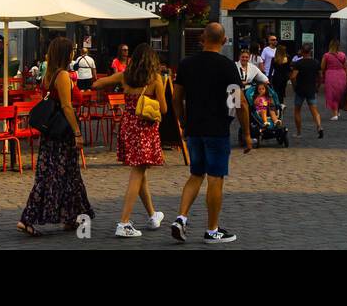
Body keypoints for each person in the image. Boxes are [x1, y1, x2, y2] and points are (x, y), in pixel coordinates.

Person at [172, 22, 251, 244]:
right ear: (224, 41)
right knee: (215, 178)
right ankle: (212, 229)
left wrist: (183, 122)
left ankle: (181, 218)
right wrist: (246, 133)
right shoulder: (228, 67)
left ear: (201, 39)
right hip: (217, 129)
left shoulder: (186, 64)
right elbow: (239, 103)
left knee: (196, 174)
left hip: (194, 128)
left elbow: (176, 98)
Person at [92, 42, 168, 238]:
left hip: (128, 126)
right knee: (137, 172)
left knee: (139, 170)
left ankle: (152, 215)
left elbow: (97, 84)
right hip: (145, 128)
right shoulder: (155, 79)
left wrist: (111, 85)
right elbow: (164, 109)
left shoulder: (125, 76)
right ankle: (124, 222)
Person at [18, 36, 92, 237]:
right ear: (65, 53)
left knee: (67, 175)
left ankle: (70, 217)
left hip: (51, 134)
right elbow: (67, 106)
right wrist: (77, 132)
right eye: (71, 50)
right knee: (55, 176)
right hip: (63, 132)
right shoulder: (63, 76)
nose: (73, 53)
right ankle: (28, 218)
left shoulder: (48, 74)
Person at [290, 42, 324, 139]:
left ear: (302, 51)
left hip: (300, 89)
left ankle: (299, 132)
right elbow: (320, 76)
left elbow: (293, 77)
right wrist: (318, 86)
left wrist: (294, 86)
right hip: (311, 88)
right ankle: (319, 126)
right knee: (314, 110)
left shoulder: (299, 63)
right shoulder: (316, 62)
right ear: (310, 51)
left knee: (297, 110)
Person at [321, 39, 347, 121]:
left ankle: (335, 114)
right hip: (342, 75)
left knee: (332, 95)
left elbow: (322, 67)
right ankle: (337, 111)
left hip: (331, 75)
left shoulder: (326, 55)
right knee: (340, 94)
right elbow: (346, 67)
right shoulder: (343, 55)